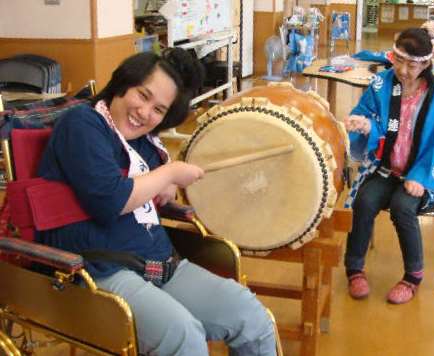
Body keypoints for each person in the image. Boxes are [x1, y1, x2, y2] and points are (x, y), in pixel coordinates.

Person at [36, 48, 276, 355]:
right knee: (185, 338)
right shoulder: (83, 124)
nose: (145, 113)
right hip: (95, 270)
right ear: (123, 84)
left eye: (159, 109)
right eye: (142, 95)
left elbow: (152, 193)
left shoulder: (143, 142)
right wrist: (168, 174)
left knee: (251, 316)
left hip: (158, 264)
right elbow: (111, 200)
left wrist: (164, 186)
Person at [343, 26, 434, 304]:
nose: (403, 70)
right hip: (387, 167)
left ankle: (413, 276)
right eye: (399, 61)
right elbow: (365, 114)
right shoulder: (382, 83)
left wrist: (420, 177)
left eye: (412, 64)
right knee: (365, 201)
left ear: (426, 64)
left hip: (422, 175)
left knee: (402, 207)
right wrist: (365, 125)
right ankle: (354, 267)